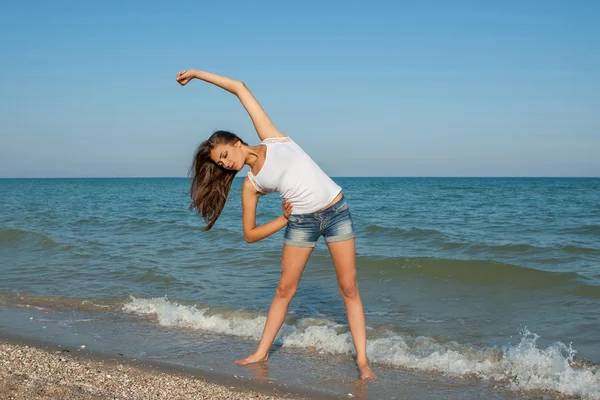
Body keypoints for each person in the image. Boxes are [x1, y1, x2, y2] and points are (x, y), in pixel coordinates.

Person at [176, 69, 377, 380]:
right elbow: (250, 235)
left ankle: (363, 363)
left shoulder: (273, 137)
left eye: (225, 155)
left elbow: (239, 88)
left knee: (349, 288)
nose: (225, 163)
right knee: (285, 289)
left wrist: (197, 74)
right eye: (219, 163)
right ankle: (260, 353)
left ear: (238, 142)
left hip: (336, 211)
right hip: (300, 223)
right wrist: (282, 219)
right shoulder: (251, 184)